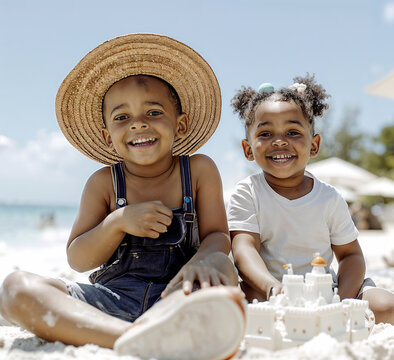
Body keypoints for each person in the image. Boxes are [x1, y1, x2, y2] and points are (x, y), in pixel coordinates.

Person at [0, 34, 245, 360]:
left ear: (181, 124)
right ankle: (131, 336)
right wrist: (116, 222)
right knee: (15, 288)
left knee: (221, 270)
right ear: (107, 136)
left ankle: (159, 327)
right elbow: (78, 258)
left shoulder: (198, 170)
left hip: (178, 295)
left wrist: (203, 261)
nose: (138, 124)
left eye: (154, 112)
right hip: (109, 300)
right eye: (121, 117)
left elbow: (217, 236)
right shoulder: (104, 183)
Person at [227, 75, 394, 325]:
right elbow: (244, 249)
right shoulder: (248, 192)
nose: (279, 141)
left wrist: (340, 300)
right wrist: (271, 287)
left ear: (314, 145)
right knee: (232, 305)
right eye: (265, 133)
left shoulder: (329, 198)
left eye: (293, 132)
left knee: (388, 309)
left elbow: (351, 256)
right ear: (247, 149)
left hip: (326, 289)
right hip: (268, 288)